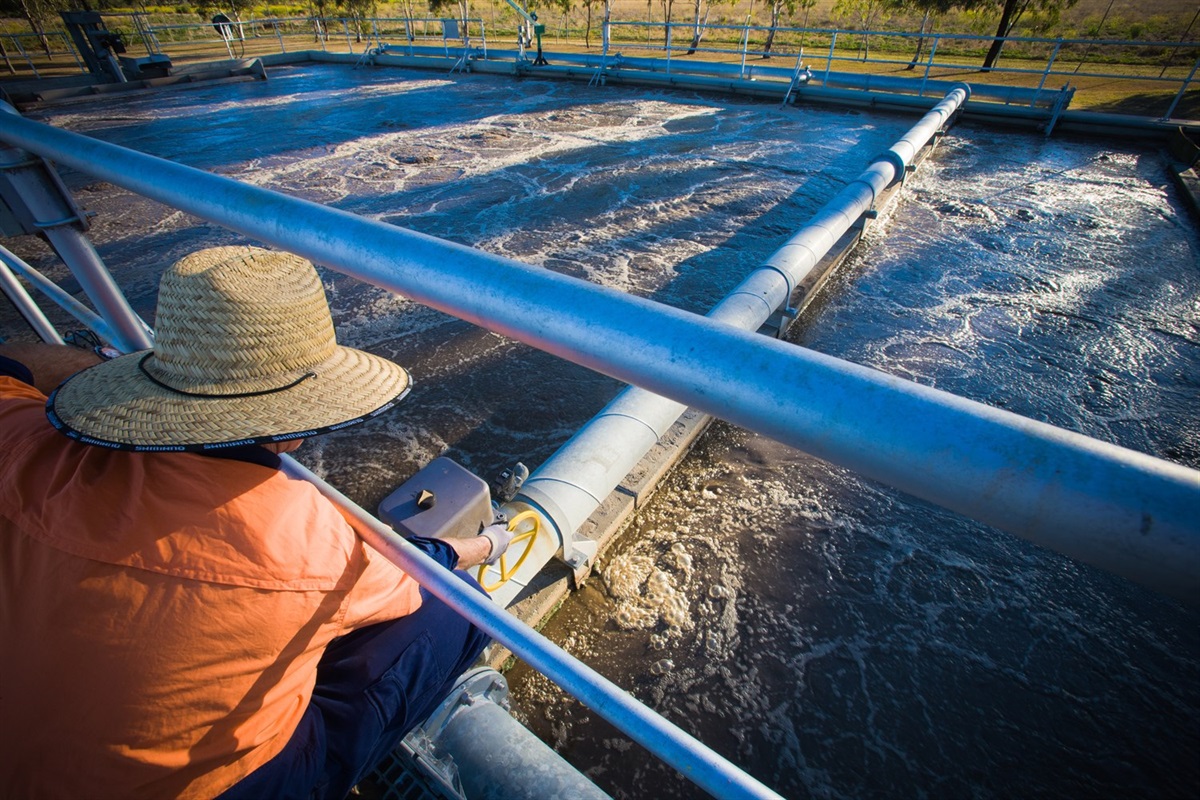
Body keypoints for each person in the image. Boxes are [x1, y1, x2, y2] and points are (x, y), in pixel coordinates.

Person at [0, 245, 513, 799]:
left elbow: (13, 360)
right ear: (298, 420)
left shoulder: (21, 444)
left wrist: (100, 382)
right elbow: (416, 571)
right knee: (458, 604)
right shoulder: (302, 539)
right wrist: (485, 545)